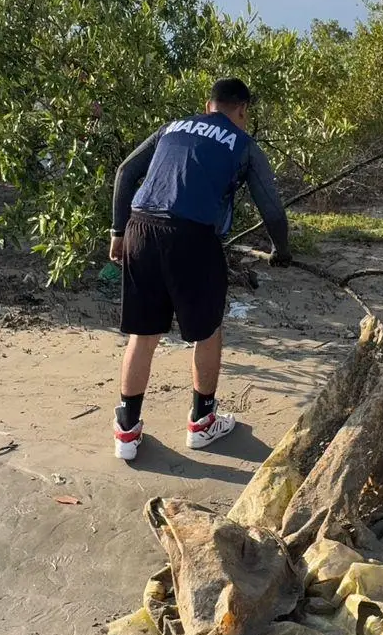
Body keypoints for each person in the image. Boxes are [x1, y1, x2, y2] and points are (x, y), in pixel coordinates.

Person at [109, 77, 291, 461]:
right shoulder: (244, 145)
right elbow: (272, 209)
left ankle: (126, 433)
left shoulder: (171, 127)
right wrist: (281, 250)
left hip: (140, 228)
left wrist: (117, 232)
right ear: (242, 110)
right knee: (207, 333)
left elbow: (126, 172)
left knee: (143, 335)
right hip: (191, 239)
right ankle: (203, 423)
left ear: (208, 104)